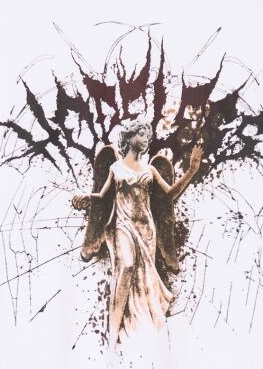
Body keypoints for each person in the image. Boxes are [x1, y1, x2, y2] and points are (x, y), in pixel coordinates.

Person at [71, 120, 203, 346]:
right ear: (129, 137)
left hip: (146, 231)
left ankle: (135, 328)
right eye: (141, 134)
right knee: (126, 265)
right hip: (122, 226)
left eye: (147, 136)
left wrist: (192, 170)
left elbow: (169, 196)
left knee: (142, 282)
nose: (145, 139)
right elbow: (102, 196)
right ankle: (113, 330)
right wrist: (86, 197)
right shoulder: (115, 168)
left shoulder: (151, 170)